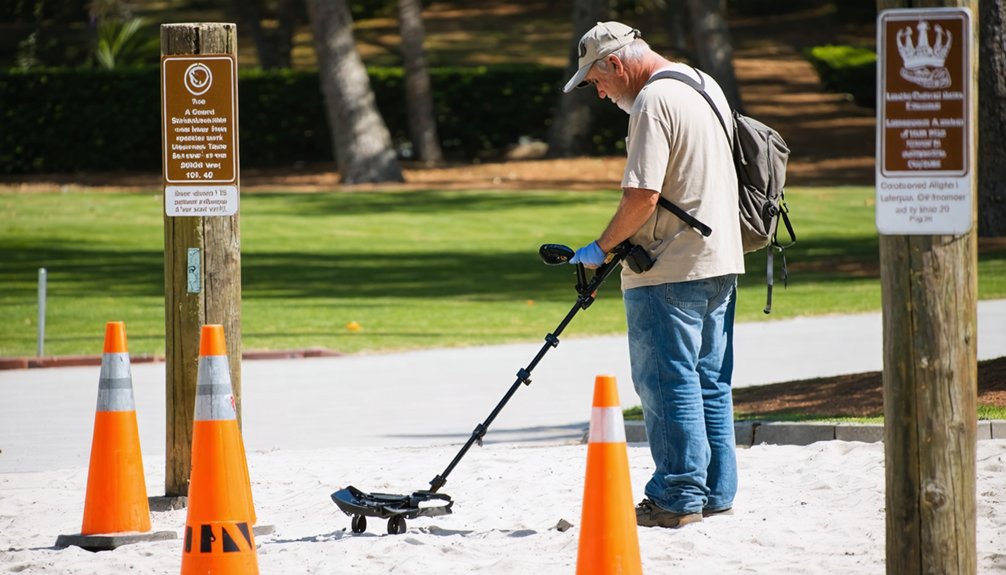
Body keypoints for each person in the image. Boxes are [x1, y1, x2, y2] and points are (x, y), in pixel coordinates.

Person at [562, 21, 744, 528]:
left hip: (668, 267)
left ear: (615, 63)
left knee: (666, 381)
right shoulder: (703, 83)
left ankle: (677, 496)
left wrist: (600, 248)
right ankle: (715, 491)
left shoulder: (651, 101)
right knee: (709, 380)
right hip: (721, 258)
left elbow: (642, 196)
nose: (600, 94)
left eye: (596, 82)